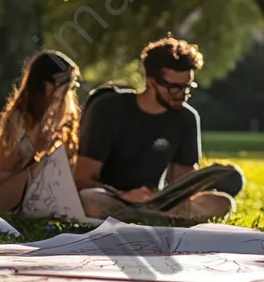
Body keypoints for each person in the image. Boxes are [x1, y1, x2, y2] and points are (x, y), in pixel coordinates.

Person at [75, 36, 244, 220]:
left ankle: (142, 215)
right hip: (111, 196)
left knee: (223, 203)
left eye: (186, 87)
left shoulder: (186, 118)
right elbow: (83, 179)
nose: (182, 95)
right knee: (89, 201)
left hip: (156, 199)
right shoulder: (108, 108)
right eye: (173, 87)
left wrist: (202, 181)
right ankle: (147, 215)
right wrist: (123, 196)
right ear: (151, 82)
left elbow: (181, 180)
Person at [0, 51, 81, 214]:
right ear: (47, 86)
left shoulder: (62, 122)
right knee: (46, 165)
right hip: (3, 197)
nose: (69, 92)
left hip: (41, 198)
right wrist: (37, 154)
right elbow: (2, 174)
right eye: (66, 85)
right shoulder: (19, 119)